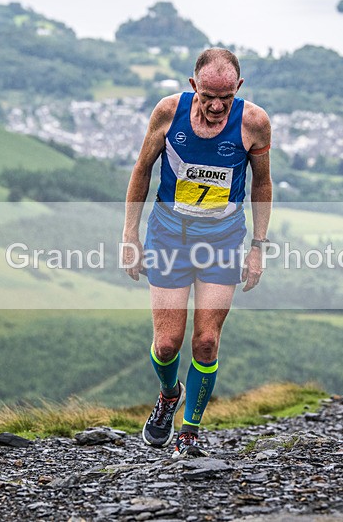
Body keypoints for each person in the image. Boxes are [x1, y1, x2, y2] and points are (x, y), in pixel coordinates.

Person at [121, 48, 272, 458]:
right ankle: (170, 394)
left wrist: (258, 246)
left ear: (238, 88)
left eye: (226, 97)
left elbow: (261, 185)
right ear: (194, 87)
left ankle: (189, 429)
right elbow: (142, 171)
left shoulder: (254, 123)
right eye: (208, 96)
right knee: (168, 344)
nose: (217, 106)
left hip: (222, 239)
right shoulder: (168, 113)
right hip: (169, 235)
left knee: (206, 342)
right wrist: (129, 235)